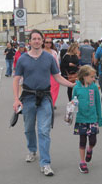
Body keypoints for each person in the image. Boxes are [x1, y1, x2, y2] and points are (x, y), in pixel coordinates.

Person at [13, 29, 75, 176]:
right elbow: (16, 79)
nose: (36, 41)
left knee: (44, 130)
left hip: (45, 98)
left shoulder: (49, 58)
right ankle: (32, 150)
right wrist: (16, 98)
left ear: (42, 41)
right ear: (29, 41)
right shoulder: (23, 59)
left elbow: (57, 77)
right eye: (33, 39)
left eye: (38, 39)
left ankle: (45, 163)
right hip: (28, 98)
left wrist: (72, 85)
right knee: (28, 128)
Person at [72, 65, 102, 174]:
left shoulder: (94, 87)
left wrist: (100, 117)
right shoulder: (76, 87)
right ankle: (82, 161)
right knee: (82, 141)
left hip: (93, 118)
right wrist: (73, 103)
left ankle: (90, 150)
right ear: (84, 76)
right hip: (81, 118)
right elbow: (73, 101)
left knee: (93, 140)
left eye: (94, 77)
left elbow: (98, 102)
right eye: (92, 77)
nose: (94, 79)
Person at [43, 37, 60, 108]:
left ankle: (52, 103)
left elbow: (57, 63)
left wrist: (58, 72)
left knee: (55, 88)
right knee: (46, 90)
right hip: (44, 74)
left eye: (50, 42)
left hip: (53, 73)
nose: (48, 44)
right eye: (46, 42)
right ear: (43, 43)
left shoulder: (54, 52)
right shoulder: (41, 51)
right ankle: (47, 104)